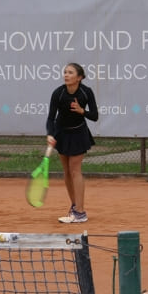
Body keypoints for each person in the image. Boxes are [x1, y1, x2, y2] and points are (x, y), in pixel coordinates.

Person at [45, 62, 99, 224]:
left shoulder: (86, 92)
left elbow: (95, 116)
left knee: (75, 170)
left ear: (79, 77)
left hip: (78, 133)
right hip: (62, 133)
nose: (66, 75)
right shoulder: (58, 93)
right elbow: (51, 118)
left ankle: (80, 212)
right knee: (67, 172)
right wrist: (50, 134)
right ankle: (75, 207)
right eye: (65, 72)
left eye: (70, 73)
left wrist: (82, 111)